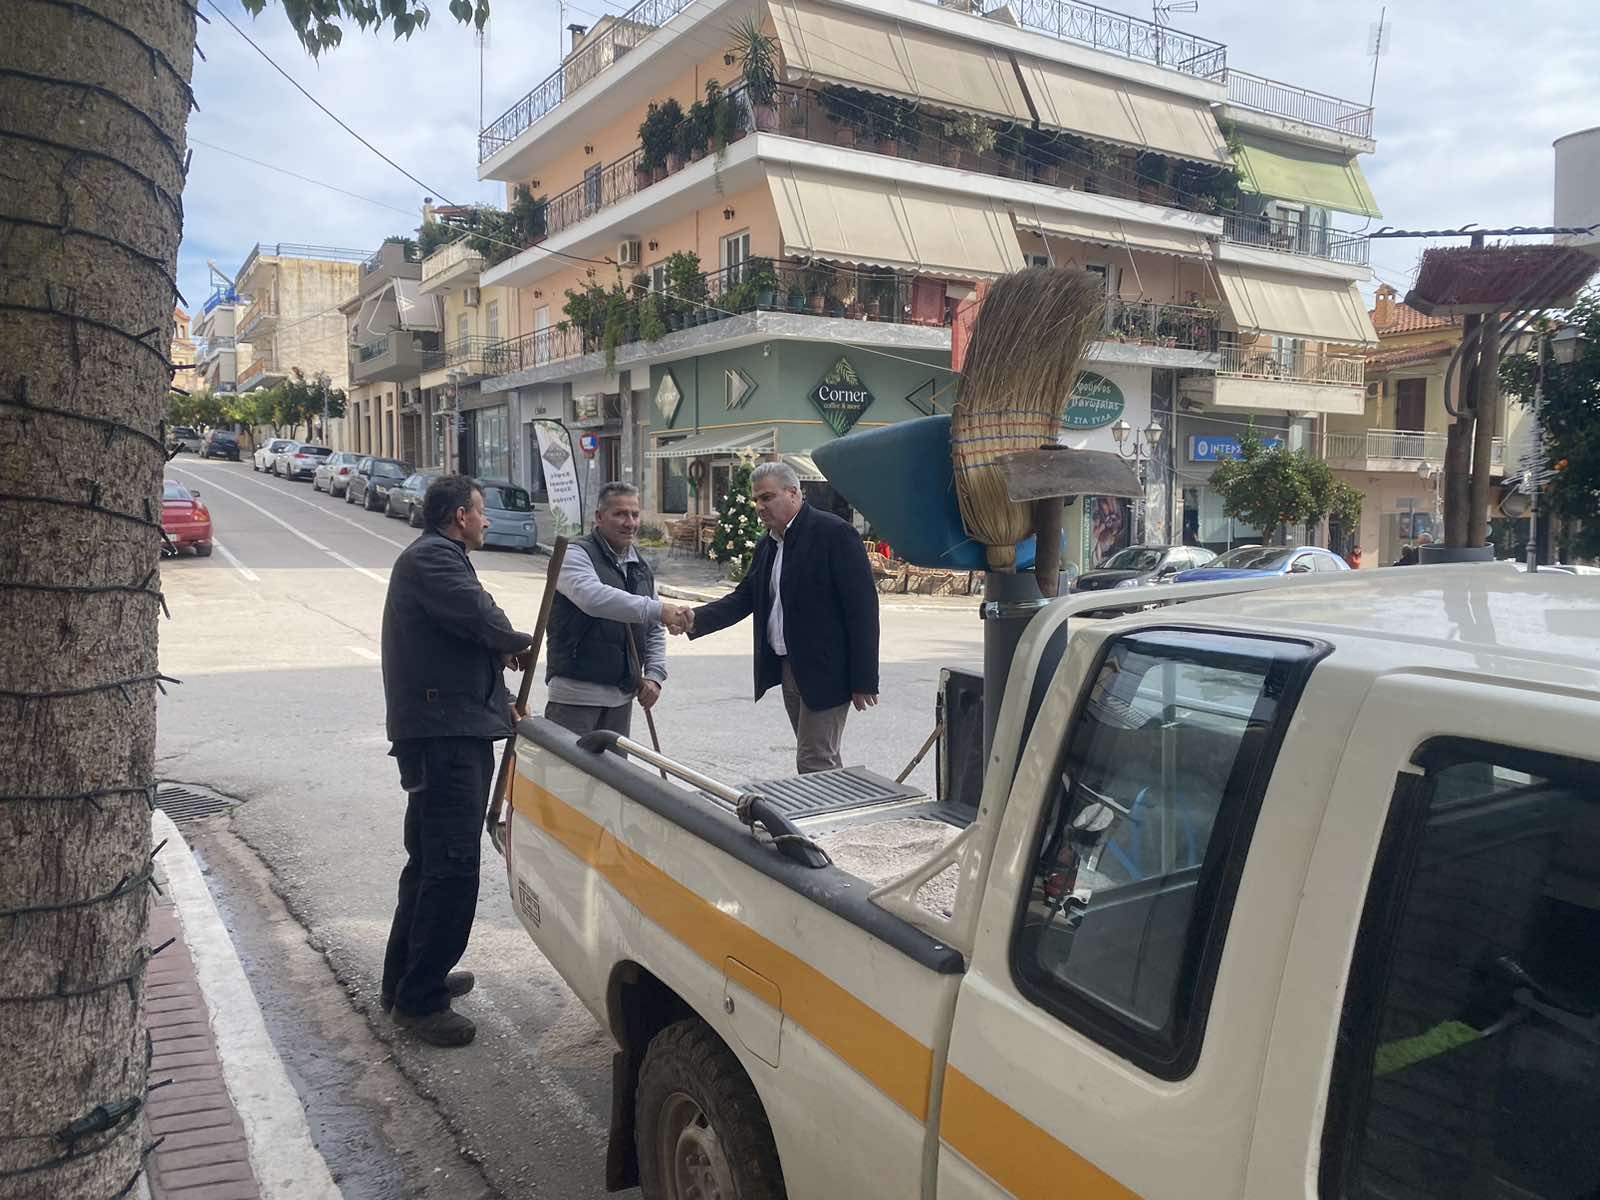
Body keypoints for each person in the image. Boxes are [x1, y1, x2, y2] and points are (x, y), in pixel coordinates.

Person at [379, 475, 534, 1047]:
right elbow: (480, 617)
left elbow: (462, 640)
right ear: (458, 516)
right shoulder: (434, 559)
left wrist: (500, 690)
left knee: (429, 864)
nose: (487, 520)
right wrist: (514, 641)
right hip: (443, 740)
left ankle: (407, 979)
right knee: (449, 867)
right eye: (480, 510)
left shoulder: (440, 558)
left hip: (448, 731)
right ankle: (420, 1001)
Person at [684, 461, 879, 774]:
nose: (760, 507)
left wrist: (864, 678)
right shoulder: (768, 544)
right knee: (821, 758)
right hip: (790, 667)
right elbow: (744, 598)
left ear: (794, 493)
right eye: (756, 500)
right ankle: (842, 803)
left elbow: (863, 610)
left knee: (814, 759)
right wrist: (693, 618)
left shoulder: (834, 534)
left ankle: (829, 808)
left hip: (828, 670)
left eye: (767, 497)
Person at [545, 482, 691, 736]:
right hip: (575, 698)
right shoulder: (574, 555)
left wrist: (654, 675)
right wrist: (659, 610)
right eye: (620, 514)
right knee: (566, 764)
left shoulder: (640, 567)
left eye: (634, 514)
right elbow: (593, 598)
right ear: (599, 517)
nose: (630, 523)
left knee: (612, 764)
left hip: (622, 699)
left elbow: (653, 629)